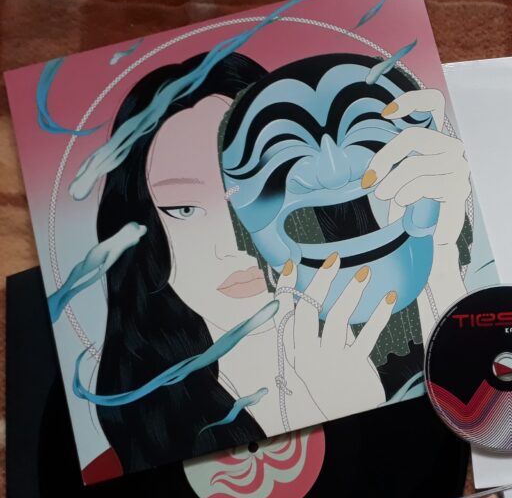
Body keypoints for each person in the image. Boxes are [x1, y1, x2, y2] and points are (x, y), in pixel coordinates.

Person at [92, 51, 471, 473]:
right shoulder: (130, 453)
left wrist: (442, 267)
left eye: (265, 190)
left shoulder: (405, 342)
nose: (232, 245)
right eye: (185, 209)